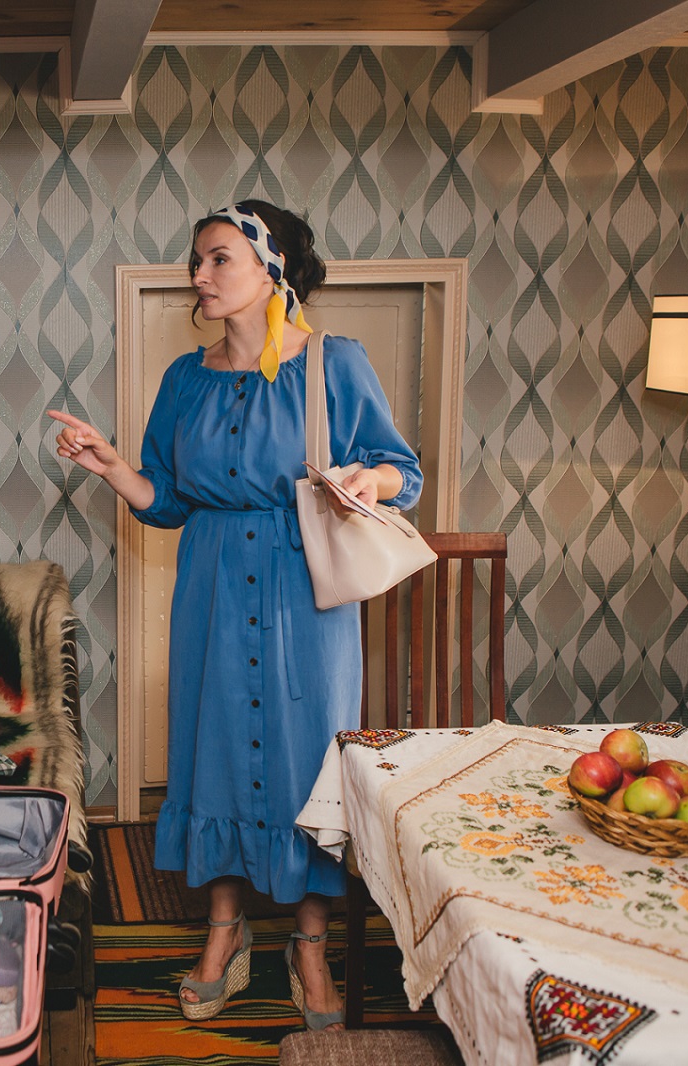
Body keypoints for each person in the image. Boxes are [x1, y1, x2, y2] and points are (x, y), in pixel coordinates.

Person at [48, 200, 422, 1030]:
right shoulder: (186, 379)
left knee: (311, 763)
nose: (200, 274)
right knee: (211, 749)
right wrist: (111, 466)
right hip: (211, 588)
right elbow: (167, 500)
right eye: (197, 260)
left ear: (271, 266)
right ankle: (225, 930)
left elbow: (405, 471)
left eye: (219, 257)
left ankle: (310, 945)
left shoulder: (334, 363)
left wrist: (371, 480)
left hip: (305, 592)